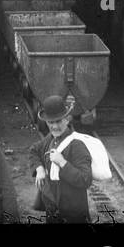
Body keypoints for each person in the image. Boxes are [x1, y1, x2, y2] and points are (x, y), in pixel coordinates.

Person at [30, 94, 93, 224]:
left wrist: (62, 163)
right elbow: (34, 150)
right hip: (53, 213)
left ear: (67, 119)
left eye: (58, 121)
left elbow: (85, 180)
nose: (54, 126)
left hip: (74, 216)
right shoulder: (51, 138)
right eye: (50, 122)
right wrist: (40, 169)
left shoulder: (77, 145)